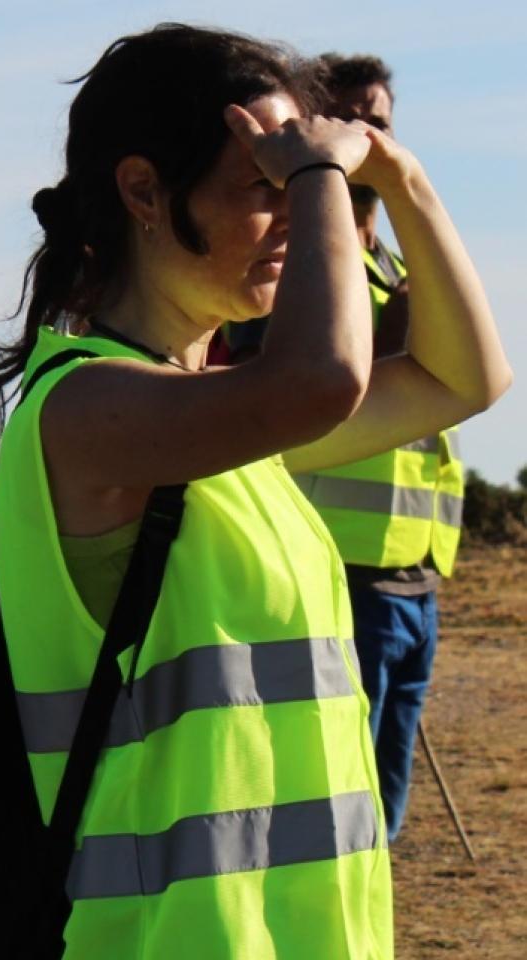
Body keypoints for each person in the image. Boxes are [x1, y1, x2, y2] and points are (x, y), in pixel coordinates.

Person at [0, 24, 507, 955]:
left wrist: (400, 177)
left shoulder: (226, 426)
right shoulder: (86, 409)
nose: (303, 219)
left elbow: (466, 378)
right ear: (144, 190)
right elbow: (319, 381)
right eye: (266, 185)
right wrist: (325, 179)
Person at [283, 53, 466, 843]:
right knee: (334, 794)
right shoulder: (300, 272)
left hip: (417, 574)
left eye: (379, 121)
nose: (365, 136)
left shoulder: (394, 266)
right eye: (348, 119)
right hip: (343, 572)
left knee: (384, 797)